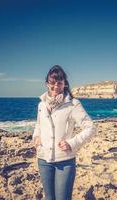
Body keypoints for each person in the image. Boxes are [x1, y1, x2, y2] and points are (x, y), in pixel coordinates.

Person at [32, 65, 97, 200]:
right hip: (43, 159)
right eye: (52, 83)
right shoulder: (41, 105)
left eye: (60, 83)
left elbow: (90, 127)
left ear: (64, 84)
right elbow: (38, 125)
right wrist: (36, 137)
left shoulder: (73, 104)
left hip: (65, 161)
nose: (56, 86)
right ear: (46, 84)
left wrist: (72, 143)